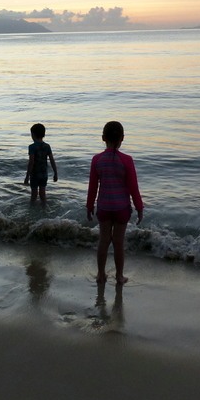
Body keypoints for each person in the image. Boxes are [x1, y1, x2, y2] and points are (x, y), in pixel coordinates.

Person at [86, 121, 144, 285]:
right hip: (121, 209)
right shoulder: (127, 160)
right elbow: (133, 188)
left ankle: (101, 275)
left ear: (103, 138)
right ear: (122, 138)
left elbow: (92, 187)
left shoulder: (97, 160)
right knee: (118, 242)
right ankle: (119, 276)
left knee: (103, 241)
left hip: (104, 208)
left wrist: (89, 207)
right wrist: (139, 208)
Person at [24, 123, 58, 203]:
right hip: (44, 174)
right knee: (43, 195)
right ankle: (44, 209)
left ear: (33, 134)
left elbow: (31, 162)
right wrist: (55, 173)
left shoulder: (32, 147)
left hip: (34, 175)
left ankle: (32, 211)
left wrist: (27, 176)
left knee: (34, 195)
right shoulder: (47, 146)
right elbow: (52, 160)